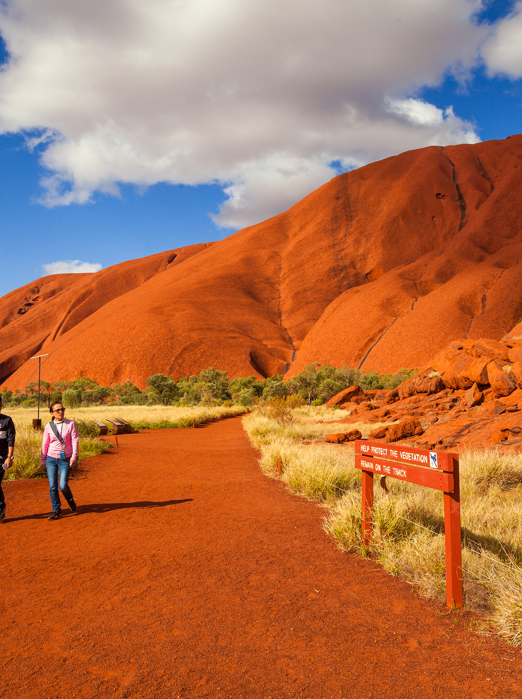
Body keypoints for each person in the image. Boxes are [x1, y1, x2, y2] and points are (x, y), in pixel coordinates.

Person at [41, 402, 79, 520]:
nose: (60, 412)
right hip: (51, 459)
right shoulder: (48, 426)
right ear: (52, 413)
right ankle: (56, 510)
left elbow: (75, 441)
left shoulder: (70, 424)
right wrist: (43, 460)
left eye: (62, 409)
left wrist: (74, 457)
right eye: (57, 410)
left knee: (62, 485)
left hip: (65, 459)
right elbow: (45, 443)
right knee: (53, 486)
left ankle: (70, 499)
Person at [0, 396, 16, 523]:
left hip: (1, 459)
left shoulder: (6, 420)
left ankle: (1, 507)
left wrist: (9, 457)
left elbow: (11, 439)